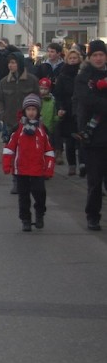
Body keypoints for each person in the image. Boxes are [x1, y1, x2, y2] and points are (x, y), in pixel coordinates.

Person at [2, 93, 55, 232]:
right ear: (24, 111)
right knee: (23, 196)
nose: (31, 112)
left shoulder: (42, 130)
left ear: (38, 111)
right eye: (28, 109)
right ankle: (25, 219)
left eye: (34, 109)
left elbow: (49, 151)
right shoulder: (18, 129)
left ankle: (39, 213)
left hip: (38, 169)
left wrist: (49, 169)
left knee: (40, 193)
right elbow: (9, 148)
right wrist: (7, 164)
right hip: (21, 169)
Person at [75, 39, 107, 231]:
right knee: (94, 181)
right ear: (89, 57)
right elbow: (87, 101)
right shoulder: (84, 76)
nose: (98, 58)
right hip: (93, 135)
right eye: (95, 55)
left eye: (101, 54)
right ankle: (92, 216)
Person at [0, 51, 39, 149]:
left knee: (28, 146)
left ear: (20, 63)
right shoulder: (4, 81)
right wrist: (2, 113)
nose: (10, 65)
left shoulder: (32, 80)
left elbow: (38, 99)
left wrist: (36, 114)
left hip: (29, 119)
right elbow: (1, 100)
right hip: (10, 120)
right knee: (11, 146)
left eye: (13, 62)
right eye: (9, 63)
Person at [54, 48, 83, 176]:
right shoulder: (62, 75)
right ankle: (72, 164)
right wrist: (60, 108)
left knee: (82, 139)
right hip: (67, 110)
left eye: (75, 58)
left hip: (82, 110)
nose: (72, 61)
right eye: (70, 58)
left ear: (79, 59)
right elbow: (58, 94)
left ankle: (83, 164)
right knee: (70, 141)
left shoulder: (83, 74)